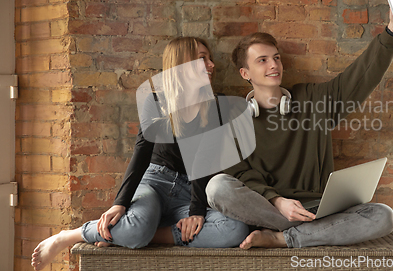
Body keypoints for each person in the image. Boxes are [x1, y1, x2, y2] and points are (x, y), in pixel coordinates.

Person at [206, 0, 393, 249]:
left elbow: (358, 78)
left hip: (318, 209)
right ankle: (316, 234)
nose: (274, 65)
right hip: (272, 209)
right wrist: (277, 201)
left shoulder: (313, 98)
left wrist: (392, 31)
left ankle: (283, 238)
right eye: (262, 60)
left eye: (276, 57)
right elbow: (239, 175)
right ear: (245, 73)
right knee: (217, 187)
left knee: (383, 215)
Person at [31, 37, 249, 271]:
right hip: (155, 183)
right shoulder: (156, 101)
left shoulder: (216, 107)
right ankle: (71, 235)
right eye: (201, 59)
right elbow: (142, 152)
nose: (211, 65)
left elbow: (204, 163)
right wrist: (120, 203)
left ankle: (146, 234)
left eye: (210, 58)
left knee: (235, 229)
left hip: (190, 192)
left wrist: (196, 211)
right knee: (134, 227)